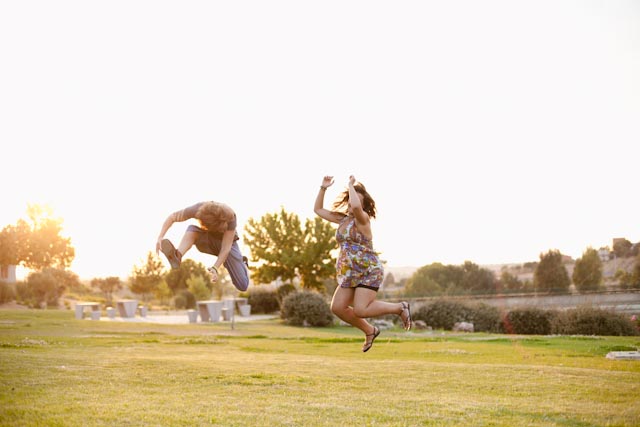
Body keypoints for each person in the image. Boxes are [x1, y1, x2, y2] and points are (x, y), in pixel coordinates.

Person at [314, 175, 411, 352]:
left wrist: (351, 185)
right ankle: (370, 330)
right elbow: (318, 209)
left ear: (362, 205)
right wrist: (323, 187)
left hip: (368, 271)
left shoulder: (363, 218)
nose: (352, 203)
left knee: (360, 309)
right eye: (350, 200)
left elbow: (357, 206)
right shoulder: (343, 220)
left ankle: (399, 308)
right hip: (349, 273)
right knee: (337, 307)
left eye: (355, 200)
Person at [156, 201, 250, 292]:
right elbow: (173, 217)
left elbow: (225, 248)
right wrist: (160, 237)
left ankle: (243, 263)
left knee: (242, 285)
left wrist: (215, 268)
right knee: (192, 230)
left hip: (229, 244)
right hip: (208, 240)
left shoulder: (230, 216)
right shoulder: (197, 209)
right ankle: (177, 256)